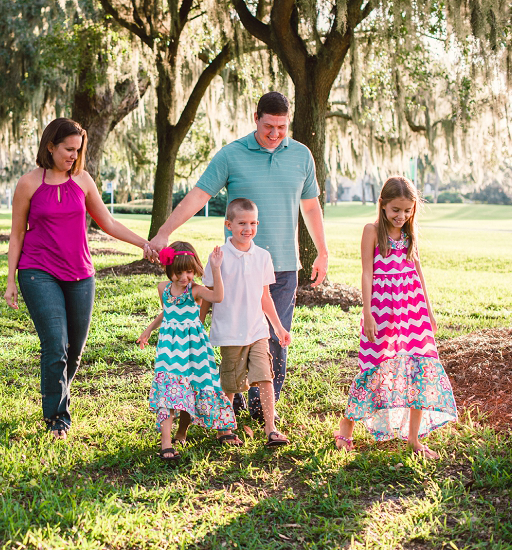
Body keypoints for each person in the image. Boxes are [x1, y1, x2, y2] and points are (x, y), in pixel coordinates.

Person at [149, 91, 328, 424]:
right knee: (235, 335)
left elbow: (311, 206)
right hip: (234, 267)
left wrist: (323, 250)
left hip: (283, 266)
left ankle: (264, 409)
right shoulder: (232, 155)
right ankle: (233, 400)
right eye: (268, 126)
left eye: (281, 127)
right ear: (255, 117)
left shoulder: (302, 155)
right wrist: (164, 232)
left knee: (274, 335)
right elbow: (198, 195)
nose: (275, 134)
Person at [5, 118, 155, 440]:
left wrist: (142, 242)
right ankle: (58, 417)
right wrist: (10, 280)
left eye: (78, 150)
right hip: (38, 271)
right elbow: (17, 234)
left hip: (81, 275)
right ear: (51, 146)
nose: (74, 155)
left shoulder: (83, 181)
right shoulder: (29, 183)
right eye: (68, 149)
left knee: (74, 350)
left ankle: (54, 393)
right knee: (55, 344)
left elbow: (108, 223)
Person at [334, 176, 457, 458]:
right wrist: (367, 312)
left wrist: (429, 310)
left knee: (421, 369)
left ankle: (414, 439)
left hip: (412, 311)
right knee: (374, 369)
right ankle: (347, 424)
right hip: (383, 310)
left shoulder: (409, 234)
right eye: (396, 210)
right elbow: (367, 272)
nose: (401, 216)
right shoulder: (372, 231)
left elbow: (418, 273)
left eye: (407, 210)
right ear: (383, 206)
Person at [200, 198, 293, 448]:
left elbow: (265, 297)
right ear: (228, 224)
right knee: (230, 383)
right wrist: (197, 324)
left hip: (257, 330)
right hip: (229, 332)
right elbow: (208, 295)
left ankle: (270, 428)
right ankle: (224, 427)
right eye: (241, 223)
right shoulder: (218, 257)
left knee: (265, 377)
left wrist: (278, 326)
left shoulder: (262, 256)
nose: (247, 228)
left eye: (252, 223)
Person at [136, 241, 238, 460]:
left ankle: (182, 432)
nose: (184, 277)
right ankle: (165, 445)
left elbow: (218, 297)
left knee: (188, 390)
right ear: (169, 270)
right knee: (169, 390)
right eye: (179, 272)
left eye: (189, 271)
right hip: (169, 348)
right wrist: (148, 331)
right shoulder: (163, 288)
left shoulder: (195, 291)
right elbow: (168, 312)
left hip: (194, 349)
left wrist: (216, 268)